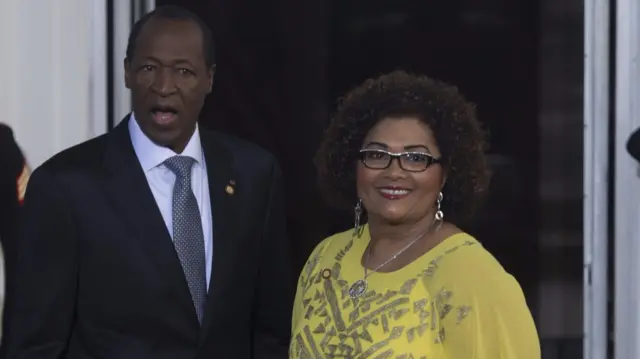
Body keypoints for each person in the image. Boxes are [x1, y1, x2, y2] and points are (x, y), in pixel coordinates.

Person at [4, 5, 291, 359]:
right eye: (148, 68)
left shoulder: (254, 175)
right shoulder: (65, 187)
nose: (164, 86)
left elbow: (271, 332)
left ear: (209, 78)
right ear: (127, 72)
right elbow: (34, 346)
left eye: (183, 71)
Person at [290, 71, 540, 358]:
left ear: (445, 174)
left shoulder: (473, 275)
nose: (394, 172)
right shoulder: (325, 258)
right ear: (353, 163)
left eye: (416, 158)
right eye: (376, 154)